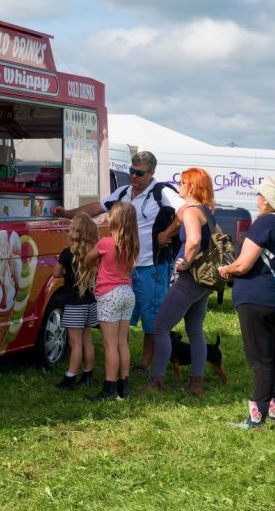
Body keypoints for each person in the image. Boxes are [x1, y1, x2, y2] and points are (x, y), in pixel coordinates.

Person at [53, 151, 182, 373]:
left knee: (151, 318)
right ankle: (123, 357)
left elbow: (185, 211)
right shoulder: (122, 192)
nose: (133, 176)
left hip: (152, 266)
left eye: (139, 173)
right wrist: (68, 214)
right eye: (131, 171)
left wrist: (166, 235)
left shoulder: (163, 193)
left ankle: (145, 363)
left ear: (151, 173)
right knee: (124, 317)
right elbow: (95, 207)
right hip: (125, 269)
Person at [217, 176, 275, 429]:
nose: (257, 199)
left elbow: (243, 264)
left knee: (260, 359)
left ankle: (256, 418)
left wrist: (226, 269)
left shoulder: (264, 224)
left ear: (266, 201)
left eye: (259, 195)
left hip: (257, 300)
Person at [142, 168, 217, 395]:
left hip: (189, 278)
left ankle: (156, 381)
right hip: (205, 281)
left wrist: (185, 261)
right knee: (195, 330)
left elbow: (193, 240)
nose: (180, 186)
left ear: (192, 186)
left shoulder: (192, 211)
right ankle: (196, 383)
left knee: (161, 327)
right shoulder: (208, 212)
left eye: (182, 182)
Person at [84, 202, 140, 401]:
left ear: (114, 220)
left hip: (109, 294)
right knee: (122, 343)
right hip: (127, 292)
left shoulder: (106, 243)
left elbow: (87, 259)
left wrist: (99, 262)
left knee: (109, 344)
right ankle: (124, 387)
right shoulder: (133, 244)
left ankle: (109, 388)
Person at [52, 213, 99, 390]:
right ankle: (88, 374)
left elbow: (56, 273)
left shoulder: (67, 253)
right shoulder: (95, 253)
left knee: (75, 343)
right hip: (90, 303)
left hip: (74, 304)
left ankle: (70, 376)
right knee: (87, 339)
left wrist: (66, 273)